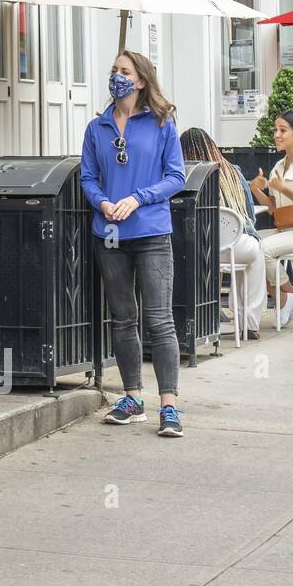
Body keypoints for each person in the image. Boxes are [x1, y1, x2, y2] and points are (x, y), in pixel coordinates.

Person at [81, 51, 186, 437]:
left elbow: (176, 176)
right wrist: (103, 202)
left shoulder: (161, 123)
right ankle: (132, 398)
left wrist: (138, 197)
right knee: (123, 318)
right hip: (108, 234)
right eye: (114, 71)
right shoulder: (98, 127)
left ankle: (170, 406)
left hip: (152, 233)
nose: (117, 77)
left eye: (124, 72)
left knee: (159, 320)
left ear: (141, 80)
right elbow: (88, 178)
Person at [180, 127, 266, 339]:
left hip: (199, 250)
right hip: (234, 247)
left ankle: (202, 321)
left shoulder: (182, 174)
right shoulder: (231, 171)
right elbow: (249, 216)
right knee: (256, 250)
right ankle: (248, 322)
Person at [250, 109, 293, 326]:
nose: (276, 134)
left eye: (282, 130)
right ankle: (289, 294)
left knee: (262, 249)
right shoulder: (278, 165)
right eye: (275, 129)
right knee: (249, 246)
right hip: (285, 229)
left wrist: (285, 189)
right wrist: (256, 190)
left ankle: (286, 295)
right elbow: (273, 210)